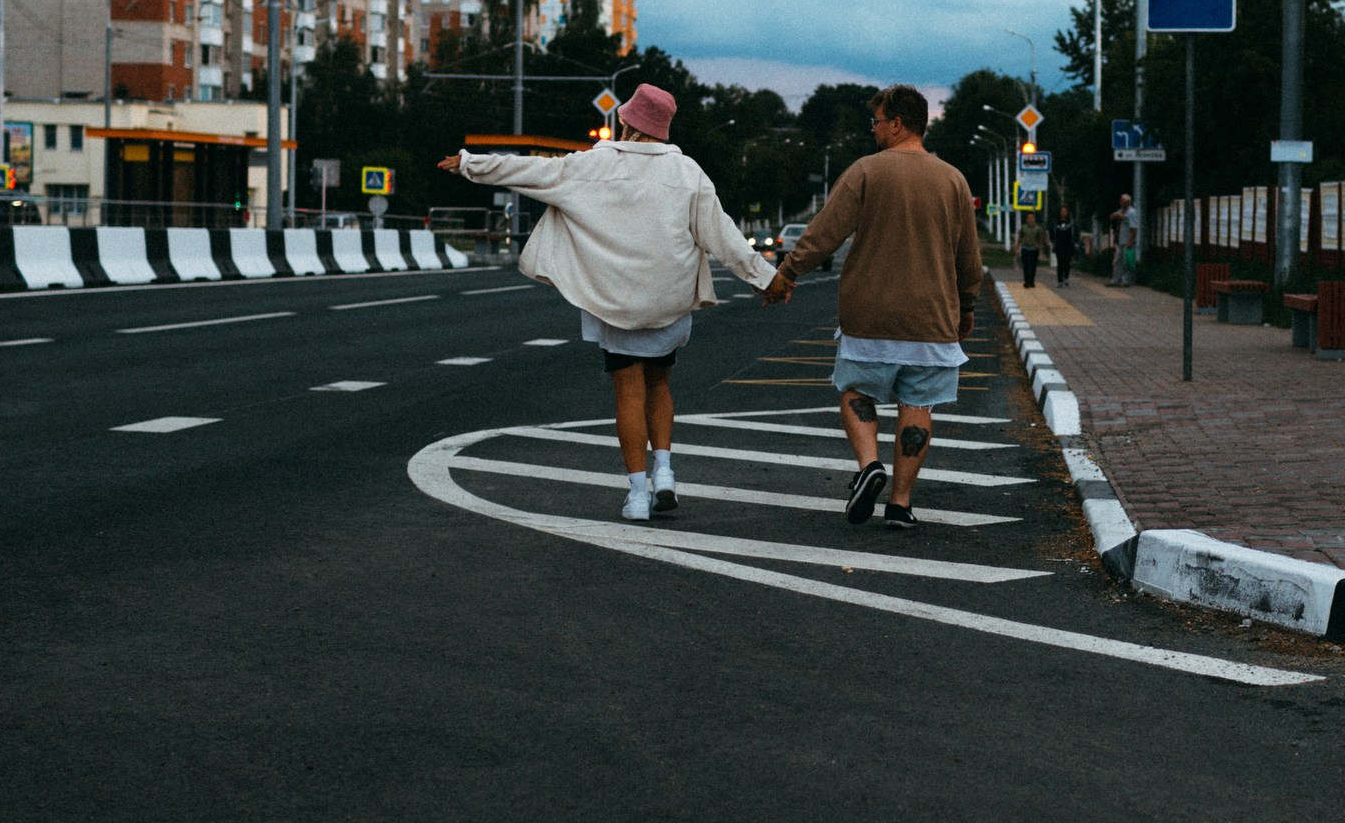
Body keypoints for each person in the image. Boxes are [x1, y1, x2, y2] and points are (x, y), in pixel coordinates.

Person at [438, 84, 783, 522]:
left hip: (614, 300)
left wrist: (470, 164)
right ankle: (665, 473)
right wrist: (767, 279)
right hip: (668, 300)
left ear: (626, 122)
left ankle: (637, 494)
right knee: (660, 385)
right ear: (662, 128)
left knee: (628, 391)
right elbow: (724, 236)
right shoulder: (689, 173)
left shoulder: (594, 164)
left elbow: (529, 171)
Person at [768, 84, 981, 533]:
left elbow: (824, 233)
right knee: (918, 405)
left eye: (877, 121)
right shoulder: (953, 180)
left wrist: (786, 274)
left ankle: (869, 466)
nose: (873, 130)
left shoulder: (865, 171)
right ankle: (900, 503)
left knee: (856, 391)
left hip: (869, 313)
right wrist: (967, 308)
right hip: (931, 317)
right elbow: (968, 257)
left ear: (898, 123)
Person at [1108, 192, 1136, 286]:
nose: (1120, 202)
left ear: (1127, 202)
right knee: (1117, 260)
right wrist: (1116, 215)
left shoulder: (1132, 212)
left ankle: (1126, 280)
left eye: (1122, 201)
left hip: (1127, 240)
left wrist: (1130, 241)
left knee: (1126, 261)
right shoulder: (1122, 210)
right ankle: (1116, 279)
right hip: (1120, 240)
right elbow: (1112, 216)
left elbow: (1134, 228)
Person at [1016, 209, 1047, 289]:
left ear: (1034, 218)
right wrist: (1017, 247)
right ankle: (1026, 281)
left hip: (1034, 249)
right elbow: (1020, 237)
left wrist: (1039, 247)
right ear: (1027, 219)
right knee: (1026, 266)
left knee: (1033, 266)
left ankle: (1032, 281)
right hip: (1025, 248)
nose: (1030, 219)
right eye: (1029, 218)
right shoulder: (1023, 228)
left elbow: (1040, 238)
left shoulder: (1037, 228)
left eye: (1032, 218)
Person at [1050, 205, 1079, 287]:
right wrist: (1053, 242)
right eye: (1062, 211)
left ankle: (1066, 277)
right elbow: (1052, 233)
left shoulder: (1071, 223)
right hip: (1059, 246)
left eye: (1065, 211)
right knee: (1060, 263)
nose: (1063, 213)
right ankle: (1059, 281)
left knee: (1067, 263)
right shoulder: (1056, 222)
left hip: (1068, 246)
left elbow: (1076, 233)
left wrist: (1075, 243)